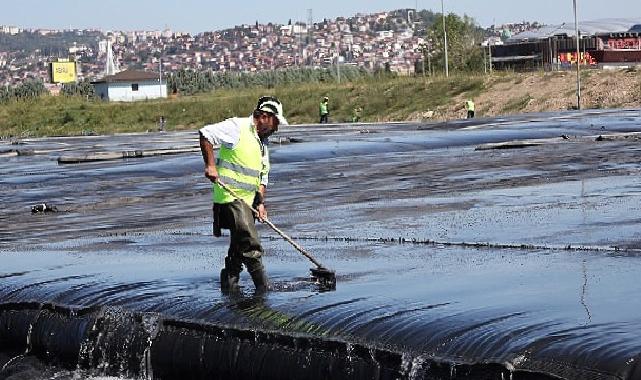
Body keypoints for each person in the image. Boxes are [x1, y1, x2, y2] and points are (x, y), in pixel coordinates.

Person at [199, 96, 287, 292]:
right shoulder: (237, 127)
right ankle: (263, 289)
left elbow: (262, 176)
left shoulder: (262, 143)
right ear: (264, 116)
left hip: (248, 201)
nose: (277, 128)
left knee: (238, 246)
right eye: (276, 122)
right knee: (249, 243)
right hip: (230, 198)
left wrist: (260, 203)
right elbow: (205, 134)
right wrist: (210, 165)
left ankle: (229, 285)